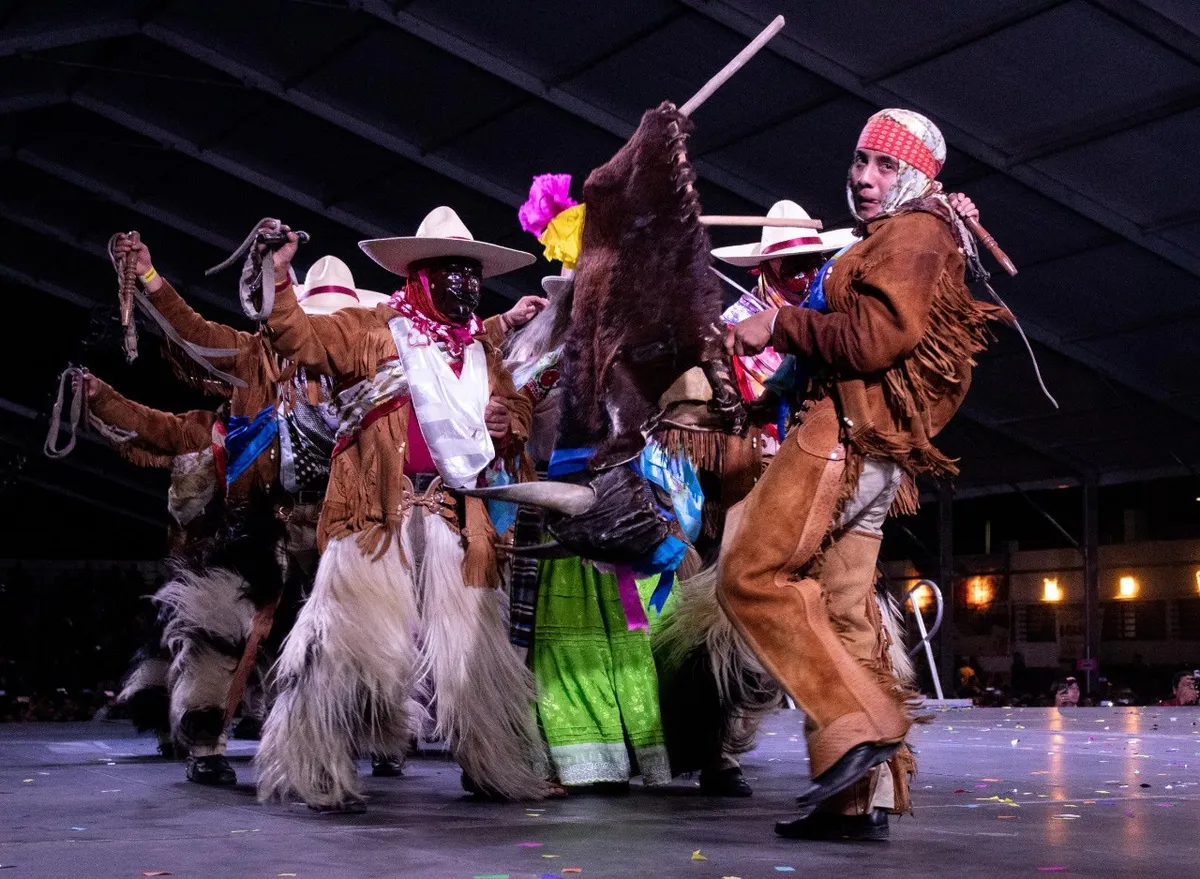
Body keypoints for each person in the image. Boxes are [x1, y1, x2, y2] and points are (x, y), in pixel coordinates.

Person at [722, 108, 1008, 841]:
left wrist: (779, 323)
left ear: (917, 177)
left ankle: (860, 723)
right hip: (868, 448)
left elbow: (877, 339)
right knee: (845, 615)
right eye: (859, 160)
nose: (864, 176)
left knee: (749, 573)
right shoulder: (912, 230)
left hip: (841, 437)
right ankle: (857, 799)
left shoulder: (913, 233)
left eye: (885, 165)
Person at [254, 206, 547, 813]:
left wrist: (507, 422)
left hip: (450, 518)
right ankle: (319, 770)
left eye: (473, 274)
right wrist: (278, 277)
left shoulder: (478, 351)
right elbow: (299, 337)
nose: (467, 286)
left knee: (473, 654)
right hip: (373, 518)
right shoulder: (370, 331)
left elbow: (515, 408)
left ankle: (493, 764)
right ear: (420, 277)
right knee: (350, 649)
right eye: (453, 274)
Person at [79, 252, 389, 785]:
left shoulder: (363, 371)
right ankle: (205, 740)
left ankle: (363, 735)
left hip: (336, 529)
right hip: (258, 528)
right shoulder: (253, 359)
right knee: (221, 626)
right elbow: (192, 336)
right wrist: (150, 278)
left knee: (353, 634)